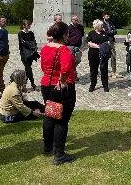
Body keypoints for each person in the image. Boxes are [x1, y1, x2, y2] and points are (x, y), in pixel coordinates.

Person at [40, 22, 77, 165]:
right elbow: (66, 69)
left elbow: (44, 66)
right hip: (60, 88)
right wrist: (62, 80)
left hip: (46, 85)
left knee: (49, 116)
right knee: (61, 120)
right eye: (67, 33)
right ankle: (59, 154)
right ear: (63, 35)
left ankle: (48, 146)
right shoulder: (64, 50)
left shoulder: (45, 48)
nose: (68, 35)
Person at [87, 19, 110, 92]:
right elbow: (89, 43)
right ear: (97, 26)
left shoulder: (104, 33)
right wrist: (98, 46)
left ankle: (105, 85)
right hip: (93, 53)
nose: (102, 26)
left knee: (104, 70)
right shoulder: (91, 33)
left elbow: (108, 42)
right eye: (101, 25)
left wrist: (103, 47)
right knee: (93, 70)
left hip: (103, 54)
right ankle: (93, 85)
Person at [18, 20, 39, 92]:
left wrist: (30, 45)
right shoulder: (20, 33)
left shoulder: (31, 33)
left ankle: (23, 85)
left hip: (31, 53)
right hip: (24, 53)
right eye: (28, 24)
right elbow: (23, 43)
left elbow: (34, 42)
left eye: (29, 24)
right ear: (24, 25)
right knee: (29, 69)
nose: (29, 25)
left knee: (27, 70)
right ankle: (33, 84)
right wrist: (30, 44)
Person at [102, 11, 123, 78]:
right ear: (103, 16)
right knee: (104, 57)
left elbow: (115, 31)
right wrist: (110, 32)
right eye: (107, 16)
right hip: (104, 42)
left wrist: (109, 32)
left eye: (109, 16)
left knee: (113, 56)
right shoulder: (101, 23)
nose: (108, 17)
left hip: (111, 42)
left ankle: (114, 72)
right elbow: (104, 32)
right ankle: (104, 71)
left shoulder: (111, 23)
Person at [66, 15, 84, 81]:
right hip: (71, 46)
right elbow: (66, 36)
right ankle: (74, 75)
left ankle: (72, 71)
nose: (76, 21)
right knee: (71, 60)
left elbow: (82, 34)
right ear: (72, 20)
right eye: (75, 20)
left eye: (77, 20)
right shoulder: (69, 27)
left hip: (78, 46)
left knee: (78, 60)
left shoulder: (80, 27)